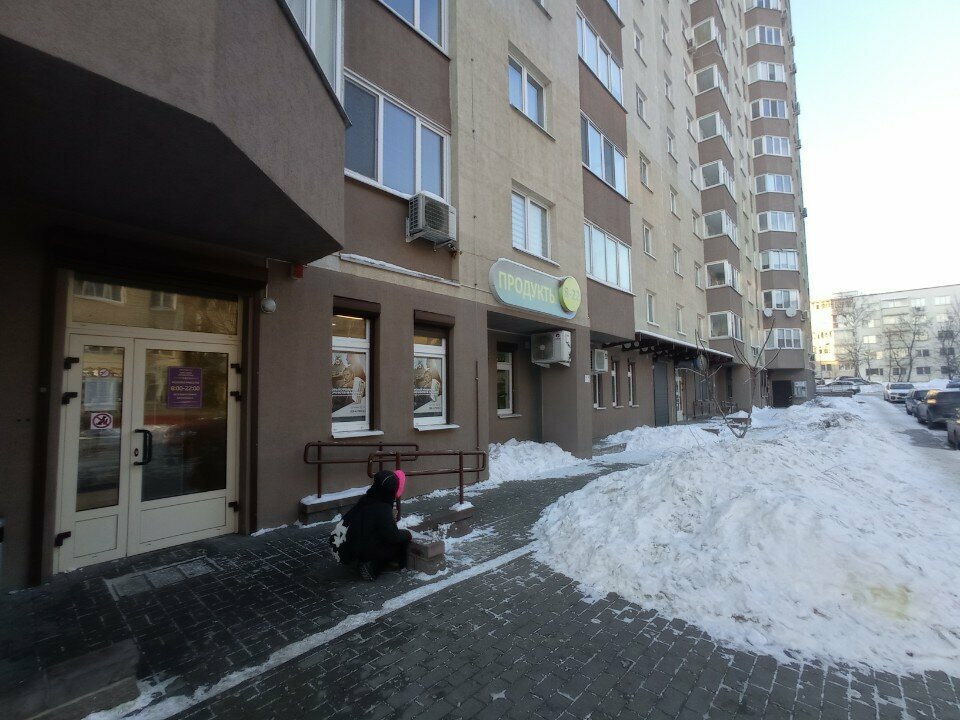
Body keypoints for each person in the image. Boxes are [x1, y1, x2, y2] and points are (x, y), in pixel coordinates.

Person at [330, 470, 411, 580]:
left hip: (341, 545)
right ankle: (372, 567)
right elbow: (392, 536)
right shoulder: (382, 508)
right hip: (348, 550)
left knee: (376, 536)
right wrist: (408, 534)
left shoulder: (368, 499)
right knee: (401, 540)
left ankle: (365, 559)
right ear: (391, 491)